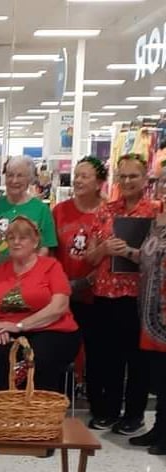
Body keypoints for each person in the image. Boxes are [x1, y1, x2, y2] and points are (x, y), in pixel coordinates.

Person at [84, 153, 160, 433]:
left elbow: (158, 257)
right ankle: (109, 410)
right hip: (105, 294)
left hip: (138, 297)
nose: (127, 181)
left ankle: (134, 414)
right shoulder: (106, 211)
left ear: (144, 179)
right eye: (123, 176)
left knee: (136, 359)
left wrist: (130, 252)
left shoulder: (155, 211)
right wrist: (104, 249)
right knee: (108, 356)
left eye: (133, 176)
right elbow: (90, 258)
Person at [0, 217, 81, 393]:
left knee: (36, 357)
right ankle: (3, 411)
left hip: (52, 330)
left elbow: (59, 306)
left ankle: (38, 411)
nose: (16, 242)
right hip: (6, 330)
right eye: (11, 238)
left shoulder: (51, 266)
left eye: (22, 238)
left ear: (35, 242)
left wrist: (19, 326)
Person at [52, 156, 107, 423]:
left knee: (97, 350)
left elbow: (109, 256)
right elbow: (51, 253)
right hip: (62, 293)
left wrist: (88, 281)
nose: (78, 180)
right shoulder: (59, 211)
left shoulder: (107, 212)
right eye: (76, 174)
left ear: (99, 182)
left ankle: (98, 406)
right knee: (61, 349)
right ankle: (57, 402)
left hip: (96, 294)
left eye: (85, 176)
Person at [131, 203, 166, 454]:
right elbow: (146, 257)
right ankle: (158, 427)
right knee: (159, 375)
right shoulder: (158, 220)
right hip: (151, 310)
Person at [0, 155, 57, 272]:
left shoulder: (41, 210)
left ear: (29, 179)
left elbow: (45, 248)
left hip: (29, 279)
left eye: (20, 176)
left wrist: (27, 271)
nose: (14, 180)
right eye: (10, 175)